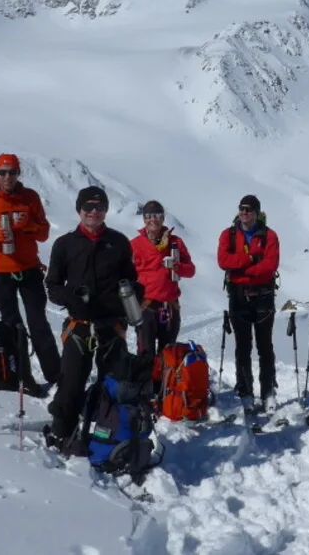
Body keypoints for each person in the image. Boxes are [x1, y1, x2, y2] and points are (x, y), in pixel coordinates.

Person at [42, 185, 143, 453]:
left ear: (106, 210)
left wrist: (135, 292)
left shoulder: (119, 242)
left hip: (112, 325)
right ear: (79, 210)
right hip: (80, 326)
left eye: (99, 207)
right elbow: (51, 286)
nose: (93, 212)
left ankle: (106, 439)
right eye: (88, 207)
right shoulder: (64, 245)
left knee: (113, 386)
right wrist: (70, 296)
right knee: (70, 384)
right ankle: (62, 433)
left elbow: (131, 279)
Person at [0, 153, 57, 397]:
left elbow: (44, 233)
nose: (7, 176)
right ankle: (23, 377)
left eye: (12, 171)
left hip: (29, 269)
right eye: (2, 172)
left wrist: (28, 226)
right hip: (1, 272)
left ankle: (55, 375)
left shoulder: (30, 198)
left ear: (19, 173)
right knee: (13, 326)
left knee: (39, 323)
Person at [216, 194, 280, 411]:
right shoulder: (229, 235)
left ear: (257, 212)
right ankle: (246, 392)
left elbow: (270, 265)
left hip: (263, 296)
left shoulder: (269, 236)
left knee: (265, 346)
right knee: (243, 347)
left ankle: (268, 391)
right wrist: (252, 259)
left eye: (250, 210)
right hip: (238, 296)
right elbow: (223, 261)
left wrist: (241, 270)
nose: (245, 213)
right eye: (242, 209)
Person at [129, 200, 195, 356]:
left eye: (157, 215)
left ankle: (164, 381)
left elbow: (191, 270)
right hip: (146, 306)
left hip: (170, 306)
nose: (153, 219)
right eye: (149, 216)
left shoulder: (175, 243)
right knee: (146, 355)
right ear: (144, 219)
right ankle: (147, 380)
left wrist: (177, 267)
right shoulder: (135, 245)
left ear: (163, 218)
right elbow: (125, 274)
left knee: (168, 355)